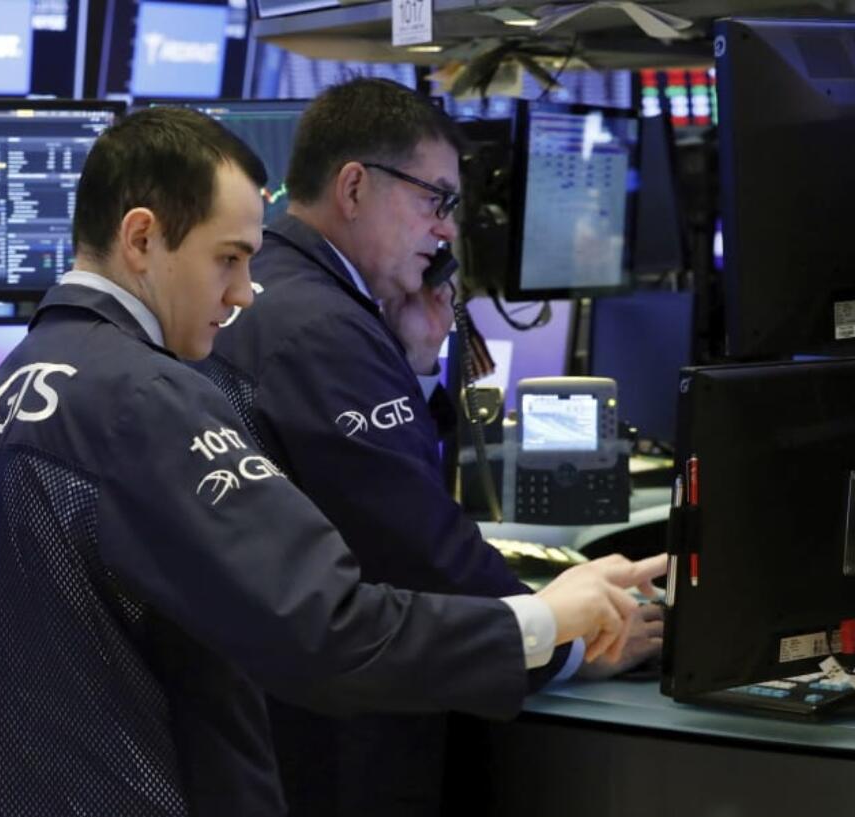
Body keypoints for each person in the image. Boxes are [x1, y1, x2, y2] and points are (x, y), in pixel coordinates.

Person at [0, 106, 664, 817]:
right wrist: (542, 619)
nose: (245, 291)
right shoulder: (147, 401)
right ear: (143, 239)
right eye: (229, 258)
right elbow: (329, 627)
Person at [202, 78, 665, 815]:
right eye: (435, 199)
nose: (448, 230)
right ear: (354, 187)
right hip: (328, 746)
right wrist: (574, 636)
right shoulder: (323, 328)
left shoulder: (279, 288)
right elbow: (416, 553)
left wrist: (415, 361)